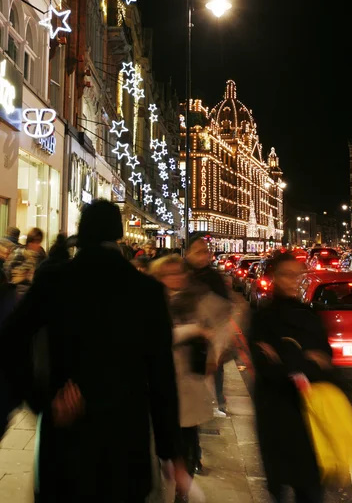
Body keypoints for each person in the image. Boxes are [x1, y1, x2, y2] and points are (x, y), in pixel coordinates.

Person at [0, 200, 187, 503]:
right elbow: (162, 376)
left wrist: (43, 399)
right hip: (124, 440)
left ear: (81, 234)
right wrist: (171, 451)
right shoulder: (147, 292)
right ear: (119, 234)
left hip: (67, 435)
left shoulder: (54, 281)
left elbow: (9, 341)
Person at [248, 252, 334, 503]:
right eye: (287, 275)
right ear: (275, 277)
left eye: (297, 275)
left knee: (310, 492)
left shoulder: (309, 315)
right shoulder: (263, 318)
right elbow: (266, 367)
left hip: (310, 418)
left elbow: (326, 361)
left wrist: (286, 359)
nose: (293, 280)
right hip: (275, 418)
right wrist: (306, 360)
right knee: (279, 490)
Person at [149, 254, 214, 496]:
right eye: (169, 273)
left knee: (187, 441)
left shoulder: (194, 299)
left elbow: (215, 330)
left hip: (189, 385)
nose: (176, 277)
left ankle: (181, 492)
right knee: (163, 442)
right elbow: (159, 338)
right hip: (161, 384)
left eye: (179, 272)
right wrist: (194, 330)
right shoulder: (153, 301)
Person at [186, 236, 232, 417]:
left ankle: (218, 402)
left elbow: (224, 310)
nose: (203, 256)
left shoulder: (214, 278)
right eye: (198, 252)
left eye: (205, 251)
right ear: (188, 252)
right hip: (188, 338)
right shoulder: (182, 273)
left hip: (211, 338)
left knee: (215, 370)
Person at [4, 227, 46, 299]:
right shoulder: (19, 254)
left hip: (34, 295)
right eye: (35, 242)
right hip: (18, 294)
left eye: (39, 242)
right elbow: (8, 271)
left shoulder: (41, 256)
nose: (38, 245)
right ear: (29, 242)